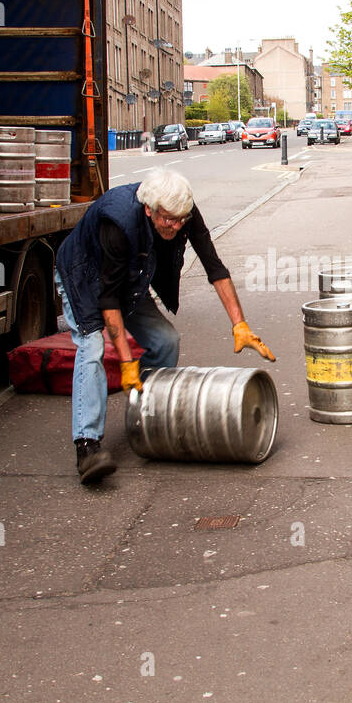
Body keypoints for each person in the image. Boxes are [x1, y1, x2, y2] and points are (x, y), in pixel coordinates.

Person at [54, 169, 276, 484]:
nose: (174, 226)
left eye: (180, 220)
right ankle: (87, 445)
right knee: (91, 347)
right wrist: (126, 361)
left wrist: (240, 324)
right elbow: (108, 300)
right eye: (167, 220)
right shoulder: (117, 222)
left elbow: (214, 266)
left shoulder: (184, 212)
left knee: (165, 341)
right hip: (86, 277)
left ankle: (145, 416)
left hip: (130, 277)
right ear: (149, 208)